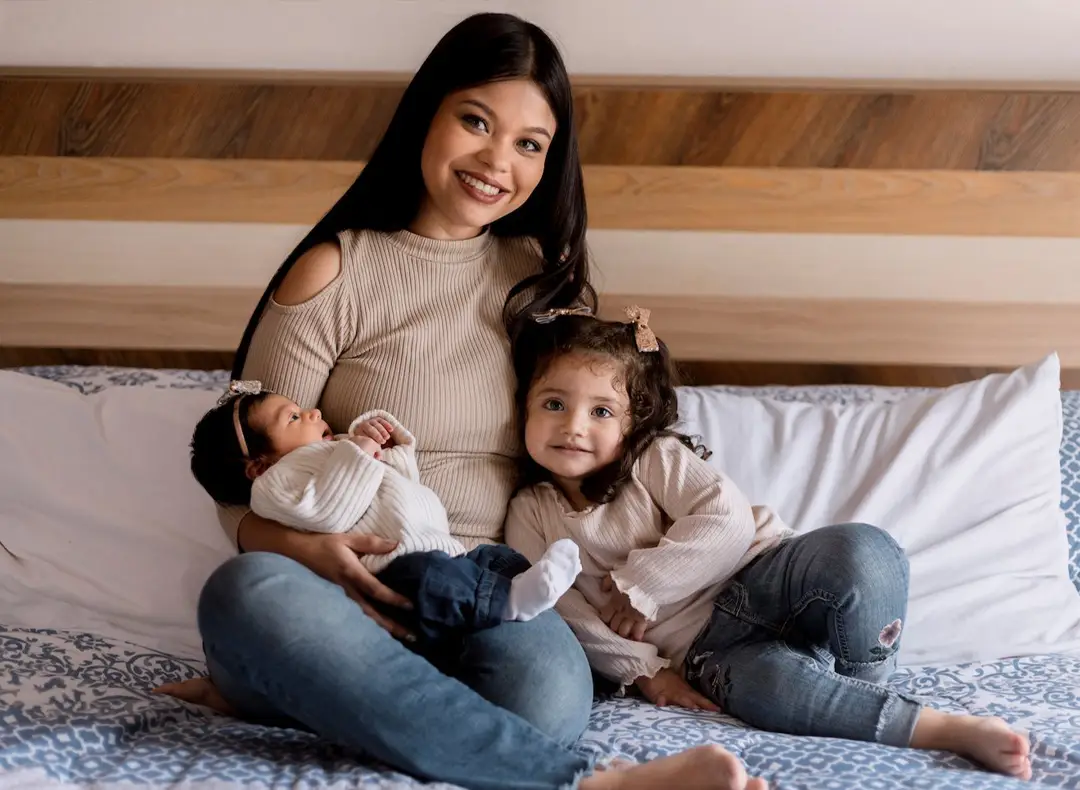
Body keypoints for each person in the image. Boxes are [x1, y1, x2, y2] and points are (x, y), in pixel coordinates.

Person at [156, 12, 769, 790]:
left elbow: (598, 452)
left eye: (528, 144)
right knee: (242, 595)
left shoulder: (546, 288)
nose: (495, 161)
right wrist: (318, 555)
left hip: (493, 587)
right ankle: (587, 781)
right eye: (475, 120)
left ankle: (331, 703)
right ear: (427, 113)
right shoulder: (332, 273)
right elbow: (241, 476)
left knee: (547, 699)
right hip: (343, 592)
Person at [505, 307, 1033, 782]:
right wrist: (644, 670)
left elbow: (725, 520)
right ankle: (940, 728)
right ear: (523, 409)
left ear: (633, 422)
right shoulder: (531, 511)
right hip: (708, 651)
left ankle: (866, 681)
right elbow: (563, 611)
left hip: (765, 574)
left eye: (600, 411)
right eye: (554, 403)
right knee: (777, 695)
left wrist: (641, 586)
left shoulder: (653, 459)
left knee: (865, 553)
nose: (573, 426)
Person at [188, 382, 583, 644]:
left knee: (494, 559)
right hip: (390, 568)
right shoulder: (274, 485)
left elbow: (404, 487)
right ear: (258, 465)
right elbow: (328, 510)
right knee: (432, 581)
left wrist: (392, 450)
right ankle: (510, 603)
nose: (312, 412)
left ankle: (515, 584)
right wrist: (359, 452)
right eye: (293, 418)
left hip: (441, 546)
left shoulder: (336, 452)